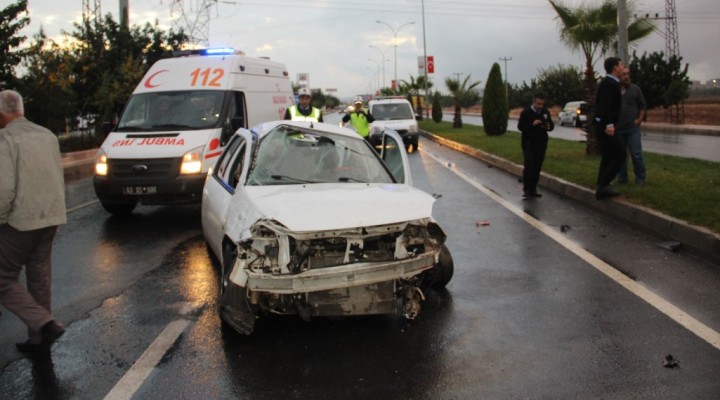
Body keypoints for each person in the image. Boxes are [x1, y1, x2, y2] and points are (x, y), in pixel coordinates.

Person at [0, 90, 67, 353]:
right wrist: (57, 213)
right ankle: (39, 340)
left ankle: (44, 324)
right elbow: (55, 175)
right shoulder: (47, 135)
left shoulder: (6, 139)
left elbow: (4, 189)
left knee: (2, 279)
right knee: (39, 277)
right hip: (50, 217)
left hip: (19, 221)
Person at [593, 56, 626, 200]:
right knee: (620, 154)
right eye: (621, 65)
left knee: (608, 155)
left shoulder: (612, 83)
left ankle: (602, 185)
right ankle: (604, 184)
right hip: (607, 126)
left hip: (607, 124)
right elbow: (604, 105)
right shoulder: (609, 83)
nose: (623, 68)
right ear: (615, 67)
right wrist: (609, 124)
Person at [517, 93, 554, 198]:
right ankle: (527, 189)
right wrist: (532, 124)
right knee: (529, 166)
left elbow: (551, 125)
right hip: (529, 144)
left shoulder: (545, 112)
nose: (540, 106)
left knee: (537, 167)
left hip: (541, 143)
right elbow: (521, 127)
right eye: (538, 104)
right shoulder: (526, 113)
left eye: (542, 104)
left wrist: (547, 126)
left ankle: (533, 188)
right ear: (533, 102)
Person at [616, 67, 647, 185]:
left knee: (636, 154)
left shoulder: (635, 89)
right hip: (619, 129)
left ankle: (640, 178)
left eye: (628, 74)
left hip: (632, 129)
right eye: (623, 74)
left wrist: (639, 120)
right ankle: (622, 178)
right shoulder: (615, 90)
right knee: (621, 155)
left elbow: (643, 105)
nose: (626, 76)